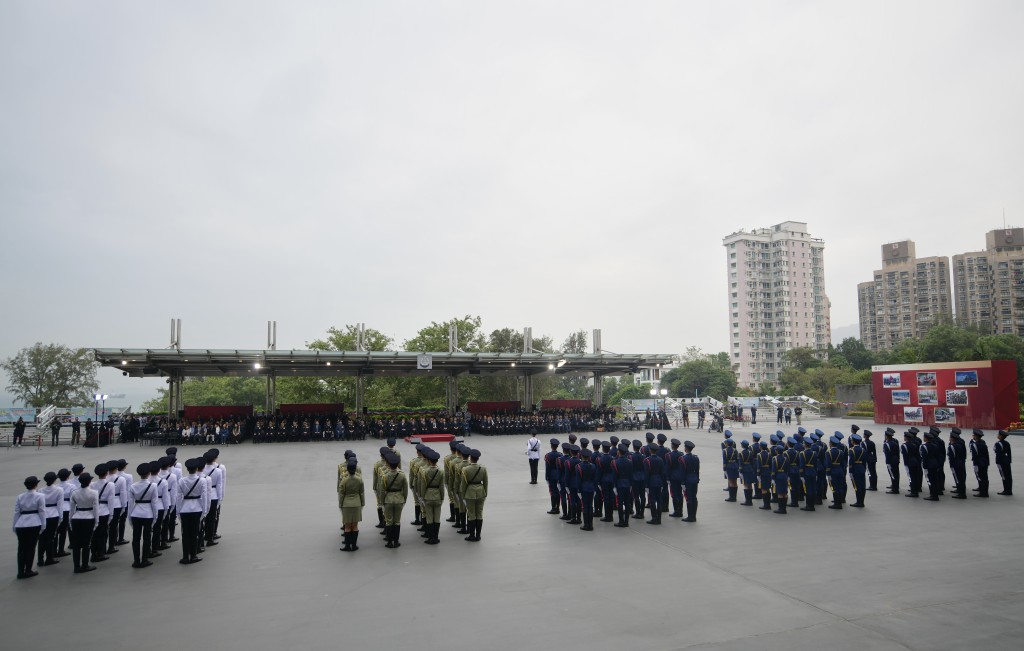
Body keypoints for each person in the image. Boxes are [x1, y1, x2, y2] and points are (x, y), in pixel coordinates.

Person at [176, 458, 208, 564]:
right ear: (197, 468)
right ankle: (193, 555)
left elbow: (178, 497)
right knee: (194, 533)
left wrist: (178, 511)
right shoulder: (202, 480)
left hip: (184, 508)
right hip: (197, 508)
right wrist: (204, 510)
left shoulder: (181, 480)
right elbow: (204, 496)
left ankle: (185, 556)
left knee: (185, 534)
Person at [13, 476, 46, 579]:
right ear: (36, 485)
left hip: (21, 523)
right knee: (31, 548)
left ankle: (20, 571)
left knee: (21, 548)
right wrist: (43, 525)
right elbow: (42, 511)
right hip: (34, 523)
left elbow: (17, 512)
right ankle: (28, 569)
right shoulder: (40, 496)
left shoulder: (20, 496)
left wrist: (14, 525)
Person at [127, 463, 157, 568]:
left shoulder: (133, 486)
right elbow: (154, 503)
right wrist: (155, 516)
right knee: (147, 538)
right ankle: (144, 559)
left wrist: (129, 517)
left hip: (136, 513)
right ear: (149, 473)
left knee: (136, 538)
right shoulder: (153, 486)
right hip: (148, 513)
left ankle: (136, 560)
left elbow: (130, 504)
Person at [69, 472, 98, 574]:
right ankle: (85, 565)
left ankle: (76, 566)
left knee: (76, 545)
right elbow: (95, 509)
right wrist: (96, 522)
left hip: (77, 517)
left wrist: (70, 521)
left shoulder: (74, 492)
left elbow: (71, 510)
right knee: (86, 543)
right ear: (89, 482)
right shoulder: (94, 493)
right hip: (88, 517)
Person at [381, 453, 408, 548]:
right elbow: (405, 489)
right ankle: (396, 541)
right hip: (399, 499)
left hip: (388, 499)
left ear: (388, 464)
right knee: (397, 521)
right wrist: (404, 499)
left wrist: (382, 502)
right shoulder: (402, 475)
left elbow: (382, 490)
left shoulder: (385, 475)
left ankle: (389, 542)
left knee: (389, 521)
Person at [338, 457, 365, 551]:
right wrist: (362, 503)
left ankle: (347, 546)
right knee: (355, 525)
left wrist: (340, 504)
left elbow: (341, 494)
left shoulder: (344, 480)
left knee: (348, 526)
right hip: (357, 503)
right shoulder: (359, 479)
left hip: (346, 504)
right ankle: (354, 545)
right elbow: (362, 492)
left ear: (348, 469)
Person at [38, 472, 63, 567]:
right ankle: (49, 557)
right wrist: (60, 519)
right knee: (50, 538)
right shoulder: (59, 490)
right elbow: (59, 506)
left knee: (42, 538)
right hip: (53, 514)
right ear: (54, 480)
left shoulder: (40, 490)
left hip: (43, 514)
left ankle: (40, 558)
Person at [419, 450, 443, 545]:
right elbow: (441, 486)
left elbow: (423, 486)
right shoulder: (440, 471)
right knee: (436, 518)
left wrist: (422, 497)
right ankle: (436, 537)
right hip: (437, 496)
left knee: (429, 518)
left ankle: (430, 537)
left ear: (429, 461)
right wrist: (442, 497)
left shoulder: (425, 471)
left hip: (428, 496)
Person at [577, 449, 597, 531]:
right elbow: (595, 479)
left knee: (585, 506)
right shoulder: (593, 466)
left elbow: (579, 480)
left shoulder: (578, 466)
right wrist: (595, 488)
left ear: (581, 456)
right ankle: (591, 524)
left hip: (584, 488)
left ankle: (586, 524)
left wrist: (579, 491)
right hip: (591, 487)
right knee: (590, 506)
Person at [681, 441, 700, 522]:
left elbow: (683, 472)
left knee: (689, 498)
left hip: (687, 480)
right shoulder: (696, 457)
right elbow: (697, 470)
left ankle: (690, 516)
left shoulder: (683, 458)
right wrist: (697, 478)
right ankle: (694, 516)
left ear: (686, 449)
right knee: (694, 497)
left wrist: (682, 483)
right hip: (694, 479)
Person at [947, 428, 968, 499]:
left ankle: (961, 492)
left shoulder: (956, 444)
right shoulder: (959, 443)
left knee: (959, 477)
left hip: (957, 463)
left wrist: (952, 464)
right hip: (960, 462)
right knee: (959, 477)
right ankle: (959, 489)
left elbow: (953, 456)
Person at [848, 433, 868, 507]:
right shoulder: (863, 449)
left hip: (855, 469)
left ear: (853, 441)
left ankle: (858, 502)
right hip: (862, 469)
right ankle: (861, 501)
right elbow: (865, 461)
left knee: (857, 486)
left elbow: (851, 462)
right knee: (862, 486)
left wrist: (850, 471)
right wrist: (864, 469)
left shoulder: (852, 450)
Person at [970, 429, 990, 498]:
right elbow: (987, 454)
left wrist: (975, 464)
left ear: (976, 436)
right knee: (985, 477)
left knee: (980, 477)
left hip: (978, 463)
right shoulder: (983, 443)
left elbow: (975, 455)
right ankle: (984, 491)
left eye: (974, 435)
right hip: (985, 462)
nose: (973, 436)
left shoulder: (974, 445)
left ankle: (983, 493)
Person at [544, 439, 562, 515]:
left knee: (552, 492)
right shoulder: (560, 455)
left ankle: (554, 508)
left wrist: (546, 477)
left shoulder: (548, 455)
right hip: (558, 475)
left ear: (551, 446)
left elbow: (547, 468)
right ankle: (557, 507)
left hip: (551, 475)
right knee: (558, 492)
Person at [771, 444, 789, 514]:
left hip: (778, 476)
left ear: (777, 451)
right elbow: (787, 469)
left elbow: (774, 470)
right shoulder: (785, 458)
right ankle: (784, 508)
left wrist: (773, 478)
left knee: (780, 493)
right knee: (784, 492)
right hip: (784, 476)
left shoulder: (775, 459)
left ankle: (781, 509)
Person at [994, 430, 1013, 496]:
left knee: (1004, 476)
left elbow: (998, 453)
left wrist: (997, 462)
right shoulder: (1007, 443)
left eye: (998, 435)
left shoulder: (998, 443)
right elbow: (1009, 453)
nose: (997, 435)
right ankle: (1009, 490)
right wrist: (1009, 460)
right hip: (1006, 460)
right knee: (1008, 476)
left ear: (1001, 436)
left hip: (1001, 461)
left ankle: (1006, 491)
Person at [882, 428, 900, 494]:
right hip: (895, 460)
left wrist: (888, 462)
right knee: (896, 474)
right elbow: (898, 452)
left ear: (887, 436)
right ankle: (895, 486)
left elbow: (887, 453)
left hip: (890, 461)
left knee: (893, 475)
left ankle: (894, 489)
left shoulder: (887, 444)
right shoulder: (895, 442)